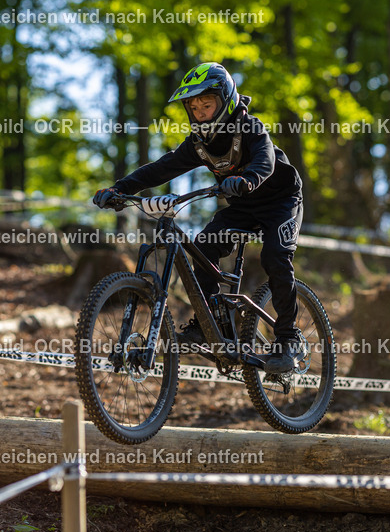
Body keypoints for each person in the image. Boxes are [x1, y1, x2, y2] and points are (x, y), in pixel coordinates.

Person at [93, 62, 304, 373]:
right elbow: (162, 167)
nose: (201, 112)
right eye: (195, 108)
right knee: (203, 246)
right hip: (242, 207)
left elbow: (265, 159)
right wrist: (120, 189)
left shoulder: (249, 127)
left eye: (207, 104)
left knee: (275, 256)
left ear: (226, 100)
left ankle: (288, 339)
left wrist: (247, 180)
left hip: (281, 201)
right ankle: (207, 325)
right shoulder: (198, 144)